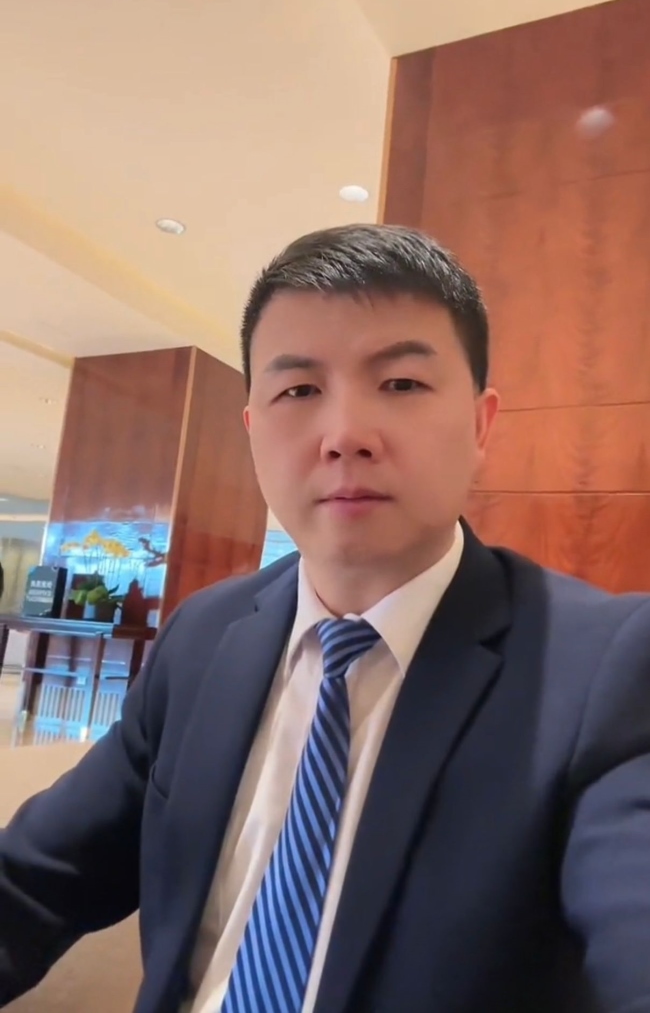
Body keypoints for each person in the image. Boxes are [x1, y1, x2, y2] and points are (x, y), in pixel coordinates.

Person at [1, 224, 650, 1013]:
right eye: (299, 392)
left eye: (401, 384)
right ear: (253, 429)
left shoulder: (601, 667)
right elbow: (33, 882)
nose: (345, 437)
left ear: (481, 424)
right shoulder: (205, 636)